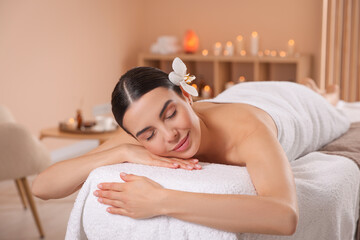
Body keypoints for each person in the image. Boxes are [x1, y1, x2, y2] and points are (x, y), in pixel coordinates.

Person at [31, 58, 347, 236]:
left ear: (186, 95)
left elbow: (284, 216)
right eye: (148, 135)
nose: (169, 135)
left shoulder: (248, 130)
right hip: (239, 93)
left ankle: (323, 94)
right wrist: (118, 152)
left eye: (171, 113)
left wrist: (161, 201)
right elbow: (42, 186)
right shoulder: (142, 130)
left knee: (327, 103)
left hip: (285, 105)